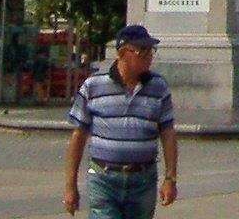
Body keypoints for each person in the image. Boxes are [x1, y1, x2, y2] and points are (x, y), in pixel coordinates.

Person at [65, 24, 177, 218]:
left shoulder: (158, 87)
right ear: (123, 53)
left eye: (151, 50)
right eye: (143, 51)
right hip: (104, 178)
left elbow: (168, 134)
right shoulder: (94, 85)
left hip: (143, 180)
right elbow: (78, 136)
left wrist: (170, 178)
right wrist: (70, 185)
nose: (149, 56)